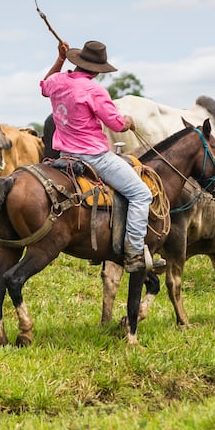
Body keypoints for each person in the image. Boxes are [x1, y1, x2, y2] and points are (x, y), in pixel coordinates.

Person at [40, 39, 162, 273]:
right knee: (141, 194)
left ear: (77, 62)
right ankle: (134, 252)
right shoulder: (94, 90)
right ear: (96, 70)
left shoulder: (58, 81)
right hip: (93, 157)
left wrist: (59, 59)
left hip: (65, 155)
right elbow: (116, 124)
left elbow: (44, 85)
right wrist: (128, 120)